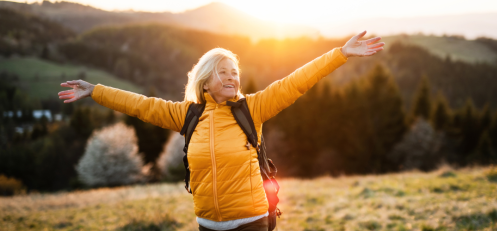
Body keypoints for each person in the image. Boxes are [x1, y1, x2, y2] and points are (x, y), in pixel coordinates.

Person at [58, 30, 384, 231]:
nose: (232, 77)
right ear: (205, 81)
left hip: (251, 222)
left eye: (235, 72)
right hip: (207, 225)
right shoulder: (187, 116)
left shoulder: (252, 109)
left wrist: (339, 54)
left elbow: (296, 82)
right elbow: (140, 105)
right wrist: (95, 91)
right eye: (223, 72)